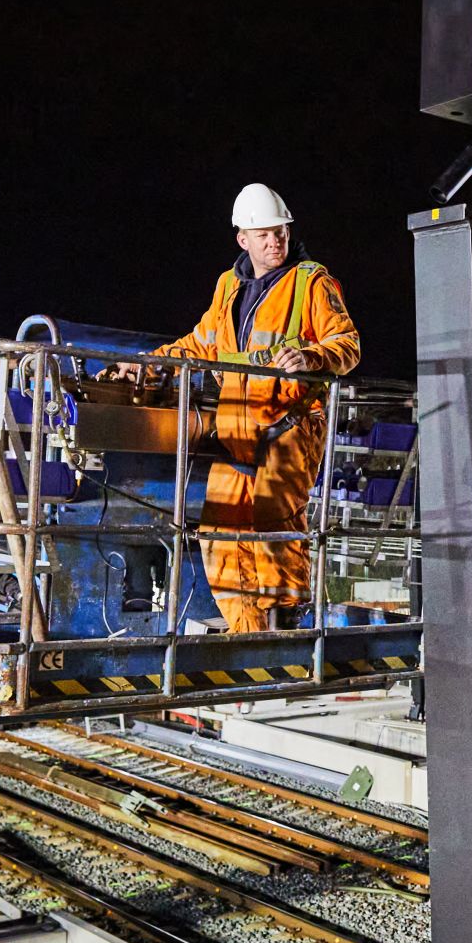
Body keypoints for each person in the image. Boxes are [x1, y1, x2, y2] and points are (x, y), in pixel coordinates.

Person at [140, 183, 359, 632]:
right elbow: (200, 344)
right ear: (244, 239)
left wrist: (313, 358)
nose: (275, 241)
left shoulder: (311, 281)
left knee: (275, 528)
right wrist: (148, 367)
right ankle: (246, 632)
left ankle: (285, 630)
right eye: (264, 235)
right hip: (234, 430)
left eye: (280, 232)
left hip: (288, 428)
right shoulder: (229, 287)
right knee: (219, 533)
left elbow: (347, 344)